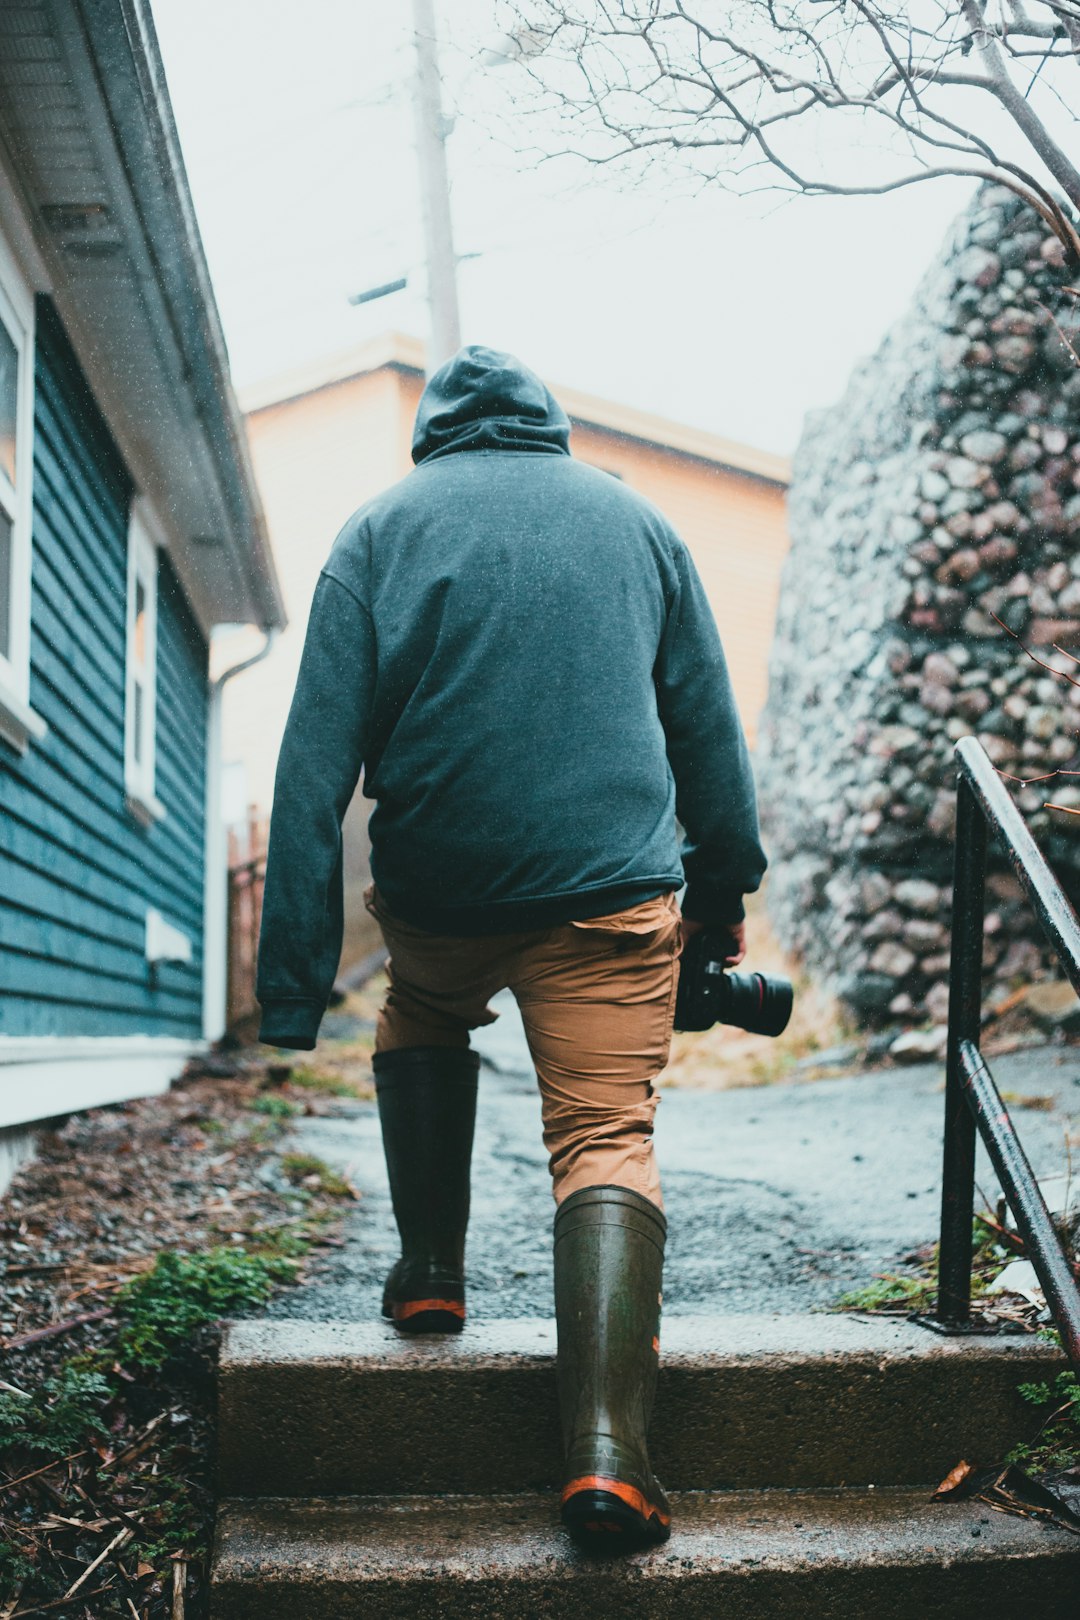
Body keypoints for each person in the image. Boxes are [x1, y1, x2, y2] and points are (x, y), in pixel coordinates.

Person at [256, 345, 767, 1550]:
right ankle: (607, 1461)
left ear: (435, 433)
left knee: (423, 1016)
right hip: (610, 899)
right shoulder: (637, 526)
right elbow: (707, 728)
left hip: (439, 898)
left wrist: (293, 991)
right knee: (605, 1136)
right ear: (549, 424)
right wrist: (723, 888)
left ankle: (431, 1268)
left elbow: (310, 771)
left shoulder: (376, 532)